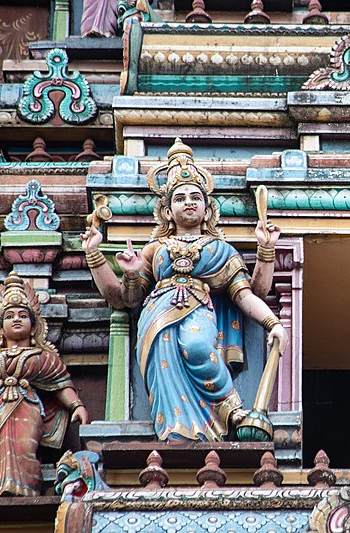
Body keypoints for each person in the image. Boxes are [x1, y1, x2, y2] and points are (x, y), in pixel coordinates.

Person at [81, 138, 288, 442]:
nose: (189, 202)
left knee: (199, 346)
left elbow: (250, 292)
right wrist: (103, 260)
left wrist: (273, 321)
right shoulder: (155, 249)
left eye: (195, 197)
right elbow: (124, 299)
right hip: (156, 316)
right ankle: (177, 431)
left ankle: (229, 409)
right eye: (179, 198)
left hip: (199, 308)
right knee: (166, 365)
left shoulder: (220, 250)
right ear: (167, 212)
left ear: (207, 210)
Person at [0, 272, 89, 497]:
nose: (16, 319)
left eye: (22, 315)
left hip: (28, 407)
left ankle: (25, 488)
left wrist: (76, 405)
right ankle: (0, 488)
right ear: (0, 328)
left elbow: (59, 383)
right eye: (9, 316)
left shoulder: (41, 357)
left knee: (23, 446)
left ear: (34, 325)